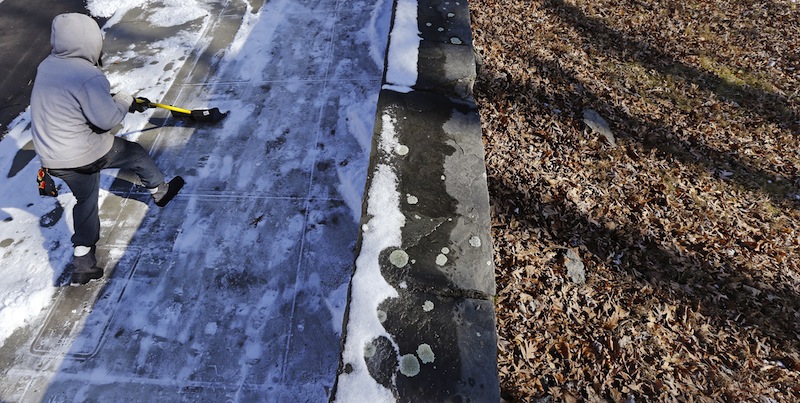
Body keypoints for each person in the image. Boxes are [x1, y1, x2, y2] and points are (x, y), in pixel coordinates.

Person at [30, 13, 184, 285]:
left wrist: (112, 100)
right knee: (134, 153)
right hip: (85, 151)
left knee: (85, 202)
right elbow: (108, 120)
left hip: (53, 158)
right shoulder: (87, 74)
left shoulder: (47, 66)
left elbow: (72, 101)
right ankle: (160, 191)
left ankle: (83, 263)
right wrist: (123, 100)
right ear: (89, 41)